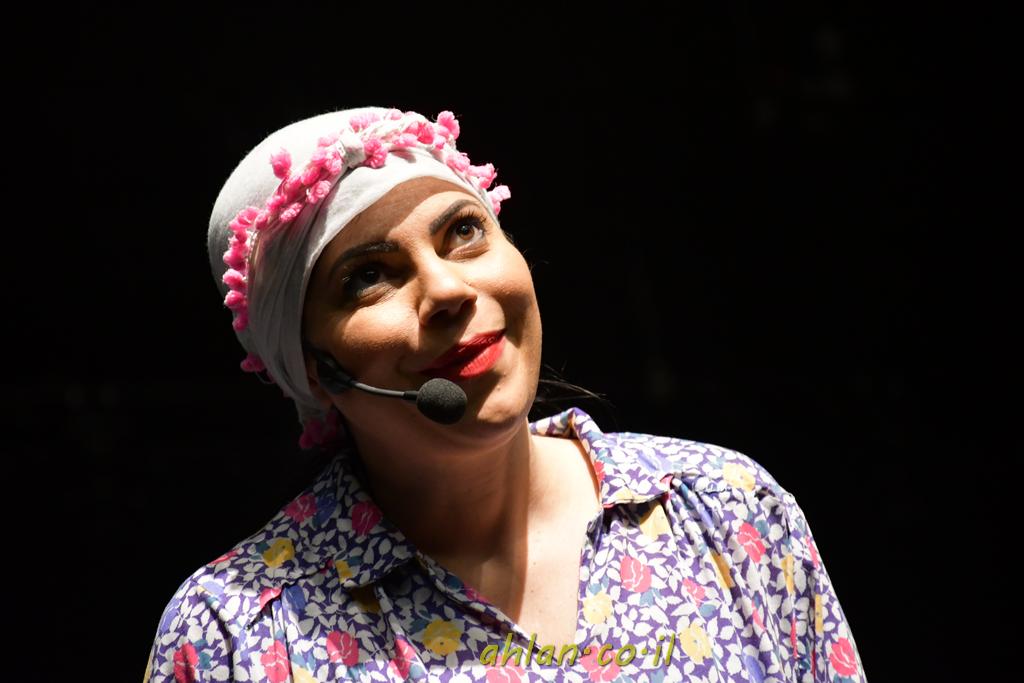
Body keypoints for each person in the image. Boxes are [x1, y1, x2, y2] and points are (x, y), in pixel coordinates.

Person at [143, 107, 867, 683]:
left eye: (463, 231)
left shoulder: (725, 511)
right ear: (310, 370)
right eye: (367, 276)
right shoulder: (237, 634)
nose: (448, 289)